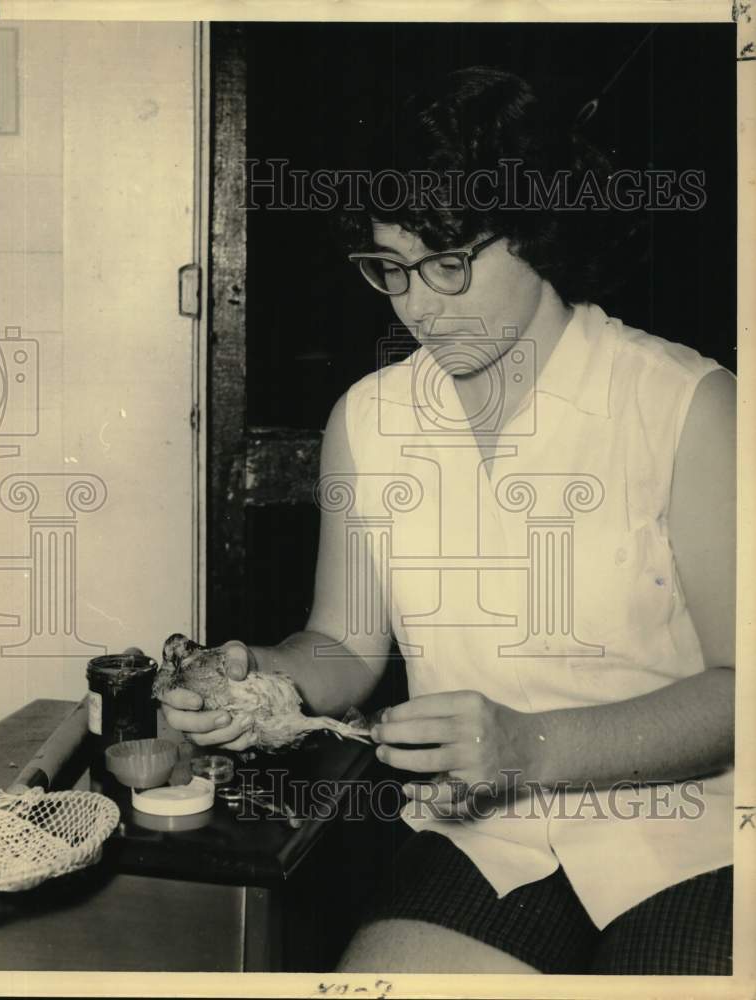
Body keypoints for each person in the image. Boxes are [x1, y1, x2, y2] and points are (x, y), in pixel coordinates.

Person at [159, 67, 735, 974]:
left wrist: (530, 746)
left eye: (448, 263)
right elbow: (344, 649)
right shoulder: (372, 418)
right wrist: (260, 678)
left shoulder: (688, 406)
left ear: (537, 232)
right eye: (390, 268)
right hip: (488, 837)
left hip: (698, 838)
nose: (416, 305)